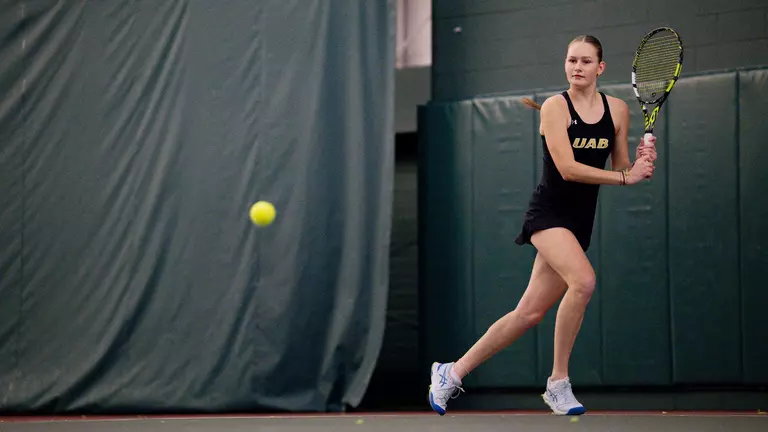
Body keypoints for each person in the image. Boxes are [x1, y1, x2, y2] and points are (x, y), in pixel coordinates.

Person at [427, 35, 658, 416]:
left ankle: (451, 372)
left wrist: (639, 162)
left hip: (579, 222)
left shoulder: (617, 110)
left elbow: (619, 166)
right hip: (548, 215)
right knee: (583, 281)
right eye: (571, 60)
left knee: (528, 314)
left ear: (600, 68)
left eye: (586, 61)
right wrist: (624, 178)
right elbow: (568, 169)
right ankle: (558, 383)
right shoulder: (554, 107)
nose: (577, 67)